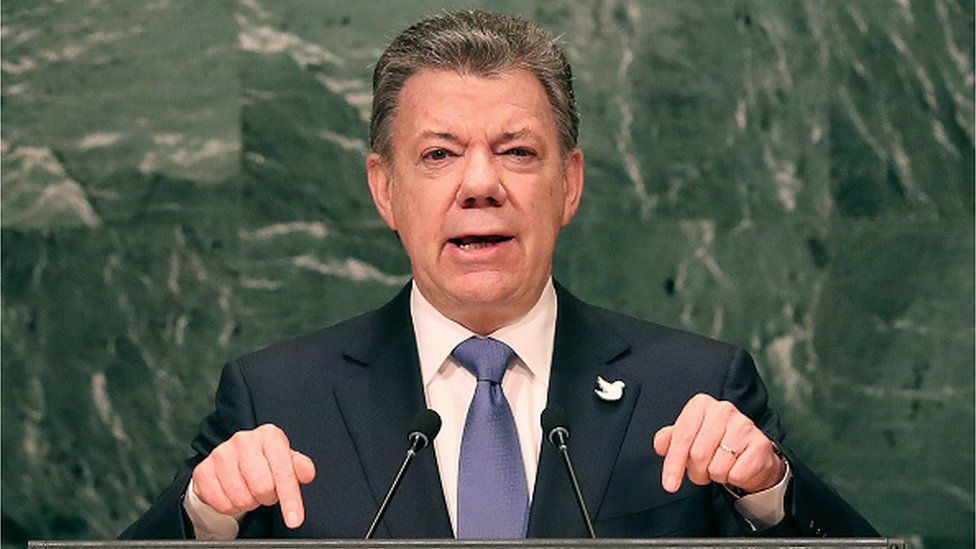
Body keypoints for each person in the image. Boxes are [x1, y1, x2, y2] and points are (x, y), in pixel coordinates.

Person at [121, 11, 877, 540]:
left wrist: (769, 495)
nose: (480, 183)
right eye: (439, 154)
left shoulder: (696, 386)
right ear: (385, 188)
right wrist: (204, 517)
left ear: (570, 184)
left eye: (517, 151)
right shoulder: (276, 400)